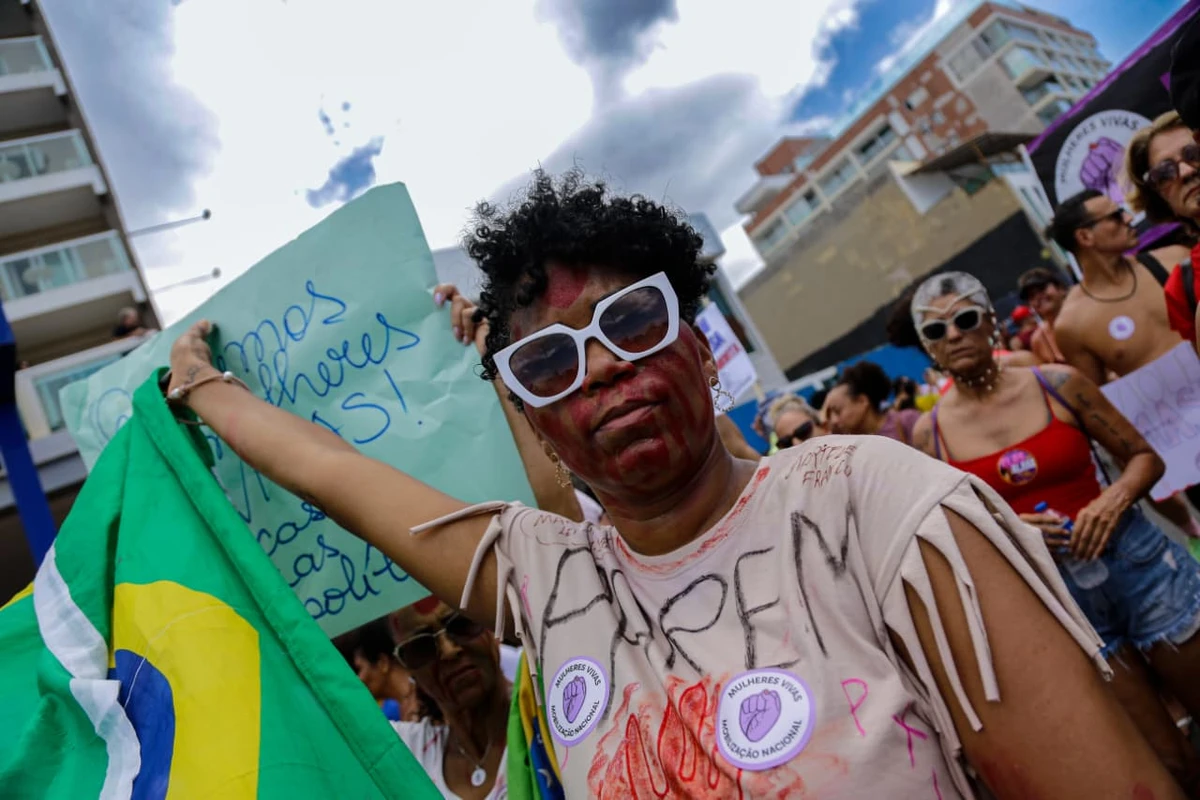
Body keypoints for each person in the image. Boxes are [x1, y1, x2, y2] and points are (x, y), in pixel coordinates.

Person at [167, 170, 1185, 798]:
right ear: (532, 419)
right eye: (551, 364)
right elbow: (338, 472)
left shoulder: (875, 502)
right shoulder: (547, 578)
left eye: (633, 322)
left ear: (697, 347)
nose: (602, 366)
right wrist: (207, 391)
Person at [908, 272, 1200, 792]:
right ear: (928, 349)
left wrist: (1112, 499)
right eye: (936, 331)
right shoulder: (929, 436)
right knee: (1163, 763)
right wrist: (1009, 527)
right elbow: (945, 531)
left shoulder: (1057, 383)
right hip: (1061, 604)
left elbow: (1143, 459)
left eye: (966, 319)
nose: (954, 335)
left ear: (991, 323)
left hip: (1144, 569)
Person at [1047, 190, 1188, 383]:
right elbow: (1102, 402)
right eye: (1115, 216)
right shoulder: (1072, 325)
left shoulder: (1175, 261)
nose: (1129, 218)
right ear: (1085, 237)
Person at [387, 598, 511, 800]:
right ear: (407, 668)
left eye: (462, 624)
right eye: (422, 647)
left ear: (492, 625)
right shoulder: (406, 755)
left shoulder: (550, 716)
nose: (449, 651)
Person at [1124, 110, 1200, 347]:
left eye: (1194, 153)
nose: (1186, 172)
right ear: (1160, 198)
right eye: (1164, 173)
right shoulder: (1181, 287)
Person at [334, 616, 425, 723]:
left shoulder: (427, 703)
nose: (359, 679)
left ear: (383, 663)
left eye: (359, 670)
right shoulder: (406, 706)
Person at [822, 360, 920, 443]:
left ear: (862, 401)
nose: (834, 421)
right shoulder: (854, 447)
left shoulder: (908, 420)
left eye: (837, 411)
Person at [1017, 268, 1069, 363]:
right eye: (1031, 296)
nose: (1038, 297)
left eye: (1042, 289)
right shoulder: (1038, 340)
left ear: (1060, 289)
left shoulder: (1083, 316)